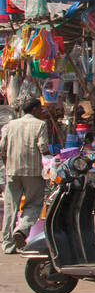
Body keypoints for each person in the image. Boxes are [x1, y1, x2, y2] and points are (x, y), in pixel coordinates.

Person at [1, 99, 49, 253]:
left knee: (10, 206)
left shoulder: (10, 125)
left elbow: (2, 148)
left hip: (12, 171)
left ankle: (8, 245)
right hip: (33, 172)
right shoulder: (40, 125)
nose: (42, 112)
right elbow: (43, 148)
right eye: (40, 109)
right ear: (34, 110)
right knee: (34, 204)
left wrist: (7, 163)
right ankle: (21, 230)